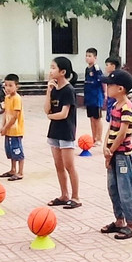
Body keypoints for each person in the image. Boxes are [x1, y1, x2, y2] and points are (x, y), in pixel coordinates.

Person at [99, 69, 132, 239]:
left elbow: (122, 133)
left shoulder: (127, 108)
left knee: (126, 190)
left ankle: (131, 224)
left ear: (121, 89)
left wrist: (111, 152)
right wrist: (104, 147)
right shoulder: (114, 106)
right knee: (113, 188)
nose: (107, 87)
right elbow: (111, 128)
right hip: (113, 154)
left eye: (110, 85)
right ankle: (119, 220)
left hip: (122, 155)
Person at [45, 56, 81, 209]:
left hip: (66, 131)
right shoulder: (54, 89)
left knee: (69, 165)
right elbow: (47, 108)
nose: (50, 70)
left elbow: (63, 114)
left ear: (63, 71)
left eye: (53, 67)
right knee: (58, 165)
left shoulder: (68, 90)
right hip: (54, 131)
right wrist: (48, 91)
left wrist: (50, 116)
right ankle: (64, 194)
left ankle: (76, 197)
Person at [0, 73, 25, 181]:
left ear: (16, 86)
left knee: (17, 150)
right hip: (9, 130)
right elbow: (5, 113)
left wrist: (6, 127)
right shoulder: (7, 98)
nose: (8, 88)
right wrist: (3, 126)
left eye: (11, 85)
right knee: (10, 150)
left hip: (16, 130)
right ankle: (13, 169)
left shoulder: (17, 98)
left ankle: (20, 172)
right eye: (6, 85)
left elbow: (15, 116)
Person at [83, 47, 106, 147]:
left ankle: (99, 138)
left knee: (97, 118)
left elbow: (102, 81)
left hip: (96, 96)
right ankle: (93, 138)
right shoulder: (87, 69)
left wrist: (105, 92)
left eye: (90, 56)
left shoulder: (96, 68)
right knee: (91, 118)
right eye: (86, 56)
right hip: (89, 97)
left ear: (95, 57)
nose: (87, 58)